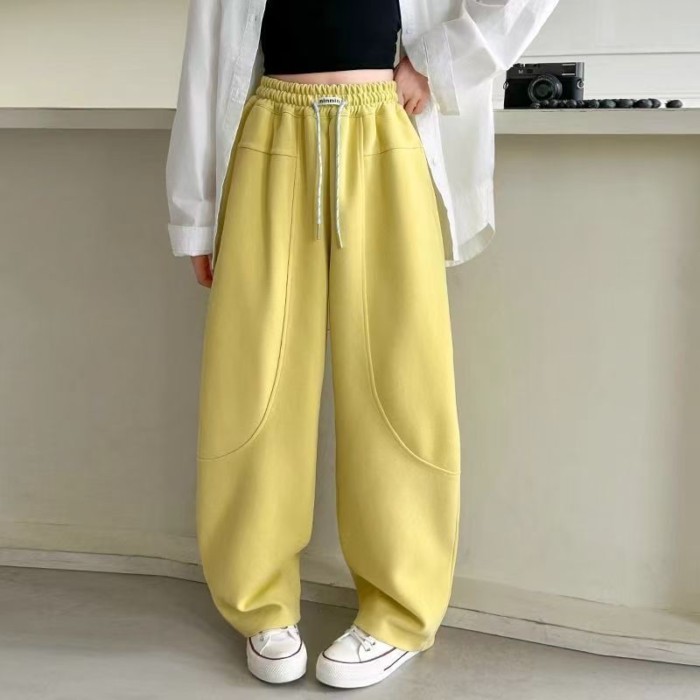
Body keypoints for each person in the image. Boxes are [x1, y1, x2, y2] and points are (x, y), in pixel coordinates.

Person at [166, 0, 559, 688]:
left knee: (399, 380)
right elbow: (206, 50)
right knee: (254, 382)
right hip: (268, 131)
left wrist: (440, 62)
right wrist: (197, 210)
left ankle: (399, 611)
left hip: (386, 125)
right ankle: (260, 602)